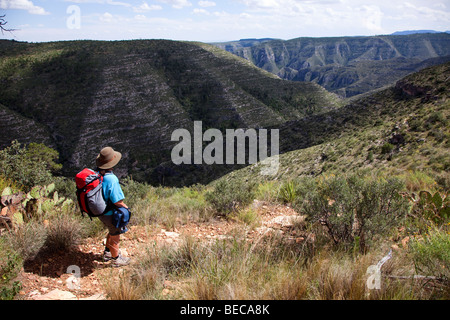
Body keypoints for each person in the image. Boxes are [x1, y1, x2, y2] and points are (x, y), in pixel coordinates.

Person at [95, 146, 131, 267]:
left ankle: (107, 253)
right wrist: (126, 208)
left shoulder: (98, 174)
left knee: (111, 230)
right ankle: (116, 259)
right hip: (110, 212)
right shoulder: (112, 179)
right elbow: (117, 201)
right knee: (115, 233)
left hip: (101, 212)